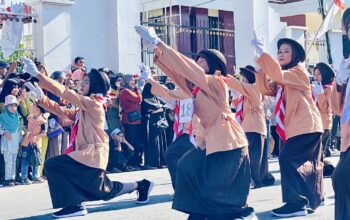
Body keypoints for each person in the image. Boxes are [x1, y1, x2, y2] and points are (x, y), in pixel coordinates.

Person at [135, 25, 256, 220]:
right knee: (187, 165)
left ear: (215, 64)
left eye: (202, 60)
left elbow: (188, 69)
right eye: (197, 59)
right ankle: (199, 211)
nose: (198, 62)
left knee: (216, 188)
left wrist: (160, 42)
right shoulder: (199, 87)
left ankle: (238, 214)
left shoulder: (217, 81)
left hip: (227, 141)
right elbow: (180, 76)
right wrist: (157, 54)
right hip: (210, 140)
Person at [21, 57, 153, 218]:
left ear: (95, 86)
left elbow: (66, 93)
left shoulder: (95, 104)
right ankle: (141, 185)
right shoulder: (87, 105)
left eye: (86, 82)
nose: (81, 85)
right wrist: (40, 97)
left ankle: (74, 205)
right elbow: (62, 111)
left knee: (53, 164)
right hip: (86, 155)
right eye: (81, 82)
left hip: (91, 155)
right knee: (105, 191)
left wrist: (38, 76)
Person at [252, 35, 323, 217]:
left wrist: (263, 54)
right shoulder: (284, 77)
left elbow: (277, 75)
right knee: (305, 163)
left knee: (286, 158)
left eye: (286, 51)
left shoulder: (298, 71)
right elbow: (265, 89)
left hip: (306, 125)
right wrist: (260, 70)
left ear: (296, 54)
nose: (281, 54)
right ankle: (311, 200)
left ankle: (297, 203)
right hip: (300, 127)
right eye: (279, 51)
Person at [229, 65, 275, 188]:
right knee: (254, 155)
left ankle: (254, 179)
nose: (242, 81)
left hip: (255, 127)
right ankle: (260, 178)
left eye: (244, 78)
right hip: (248, 127)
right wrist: (234, 96)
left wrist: (228, 79)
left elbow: (240, 87)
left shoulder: (254, 89)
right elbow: (235, 106)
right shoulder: (246, 94)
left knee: (254, 156)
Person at [330, 7, 350, 220]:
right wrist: (339, 82)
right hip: (347, 135)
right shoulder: (347, 64)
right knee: (342, 181)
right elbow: (337, 108)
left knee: (342, 178)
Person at [20, 102, 47, 184]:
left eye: (33, 107)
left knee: (36, 159)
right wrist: (27, 132)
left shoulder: (43, 121)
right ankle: (24, 177)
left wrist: (36, 136)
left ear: (38, 109)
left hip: (36, 142)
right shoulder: (29, 118)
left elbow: (44, 132)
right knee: (25, 158)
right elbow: (24, 127)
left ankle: (35, 176)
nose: (32, 107)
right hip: (27, 141)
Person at [119, 74, 143, 168]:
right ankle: (127, 163)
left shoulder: (130, 91)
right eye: (131, 80)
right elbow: (139, 99)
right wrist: (137, 89)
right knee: (130, 142)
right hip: (129, 121)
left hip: (135, 120)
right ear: (126, 81)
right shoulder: (125, 91)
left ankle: (134, 163)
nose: (133, 82)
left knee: (136, 142)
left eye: (134, 80)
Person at [0, 95, 22, 186]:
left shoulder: (16, 116)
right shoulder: (2, 116)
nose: (13, 108)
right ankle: (7, 178)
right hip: (7, 142)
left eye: (15, 105)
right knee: (8, 160)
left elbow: (19, 128)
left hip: (15, 141)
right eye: (11, 105)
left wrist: (21, 139)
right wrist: (4, 132)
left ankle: (12, 178)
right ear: (6, 106)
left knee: (14, 159)